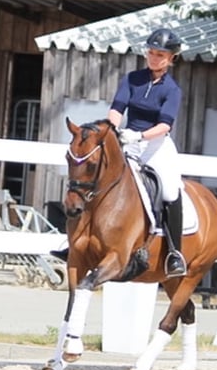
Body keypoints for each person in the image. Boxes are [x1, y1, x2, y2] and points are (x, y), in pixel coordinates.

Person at [51, 27, 188, 278]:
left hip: (156, 144)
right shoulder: (132, 79)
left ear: (171, 58)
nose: (154, 57)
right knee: (97, 180)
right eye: (151, 52)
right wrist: (111, 130)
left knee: (170, 189)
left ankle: (174, 254)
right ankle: (75, 242)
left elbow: (165, 125)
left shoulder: (172, 90)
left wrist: (140, 135)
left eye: (160, 54)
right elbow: (117, 109)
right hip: (126, 139)